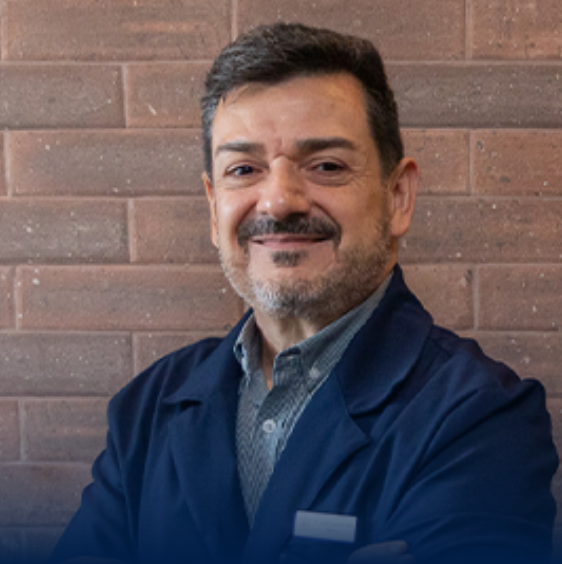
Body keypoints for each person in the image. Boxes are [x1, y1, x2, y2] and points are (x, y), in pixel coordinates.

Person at [50, 23, 558, 564]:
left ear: (398, 197)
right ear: (213, 206)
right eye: (243, 169)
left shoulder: (479, 417)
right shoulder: (146, 411)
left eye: (326, 166)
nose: (279, 201)